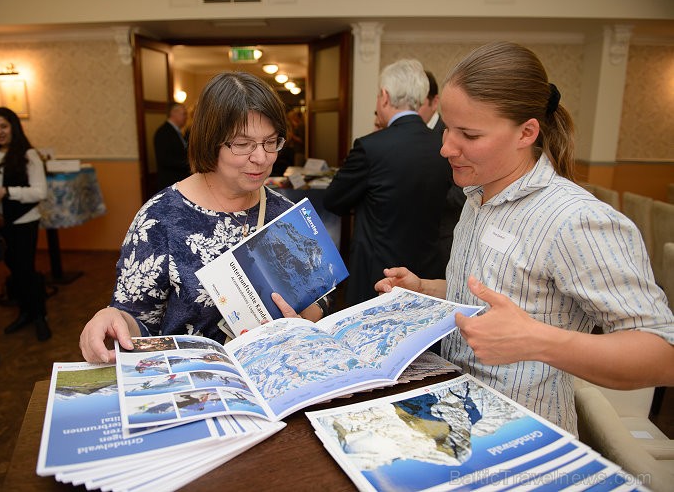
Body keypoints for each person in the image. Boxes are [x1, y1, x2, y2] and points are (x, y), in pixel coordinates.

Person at [374, 42, 674, 435]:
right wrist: (426, 288)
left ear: (526, 132)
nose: (446, 147)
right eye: (447, 127)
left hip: (524, 432)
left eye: (469, 134)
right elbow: (510, 292)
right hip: (456, 414)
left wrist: (538, 341)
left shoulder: (577, 220)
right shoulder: (478, 194)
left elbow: (661, 355)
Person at [80, 72, 329, 364]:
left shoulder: (285, 213)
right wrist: (112, 317)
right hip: (192, 382)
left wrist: (299, 319)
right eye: (243, 144)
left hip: (275, 368)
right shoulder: (160, 219)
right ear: (212, 141)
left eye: (270, 142)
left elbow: (319, 299)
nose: (261, 158)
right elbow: (137, 321)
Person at [324, 58, 452, 307]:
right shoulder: (443, 144)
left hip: (380, 274)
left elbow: (333, 199)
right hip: (427, 273)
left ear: (384, 96)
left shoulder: (371, 147)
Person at [0, 107, 51, 341]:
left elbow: (40, 191)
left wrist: (6, 191)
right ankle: (25, 312)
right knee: (14, 270)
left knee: (26, 269)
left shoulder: (28, 155)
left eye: (4, 126)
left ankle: (40, 317)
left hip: (24, 221)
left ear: (13, 128)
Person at [418, 69, 466, 280]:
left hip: (444, 234)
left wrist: (427, 196)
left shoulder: (446, 132)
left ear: (434, 101)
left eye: (417, 102)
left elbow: (463, 192)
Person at [154, 103, 190, 193]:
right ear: (174, 113)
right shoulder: (163, 132)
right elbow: (165, 159)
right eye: (184, 114)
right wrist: (188, 163)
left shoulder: (178, 132)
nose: (186, 117)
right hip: (170, 183)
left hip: (179, 182)